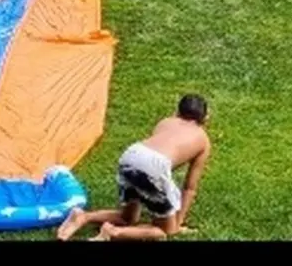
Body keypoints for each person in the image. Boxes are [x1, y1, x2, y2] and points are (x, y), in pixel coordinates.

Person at [56, 94, 211, 241]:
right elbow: (190, 188)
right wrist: (178, 222)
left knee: (128, 217)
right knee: (166, 231)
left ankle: (83, 216)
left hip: (131, 155)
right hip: (154, 165)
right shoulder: (203, 139)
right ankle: (113, 232)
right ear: (205, 118)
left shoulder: (166, 121)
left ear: (177, 111)